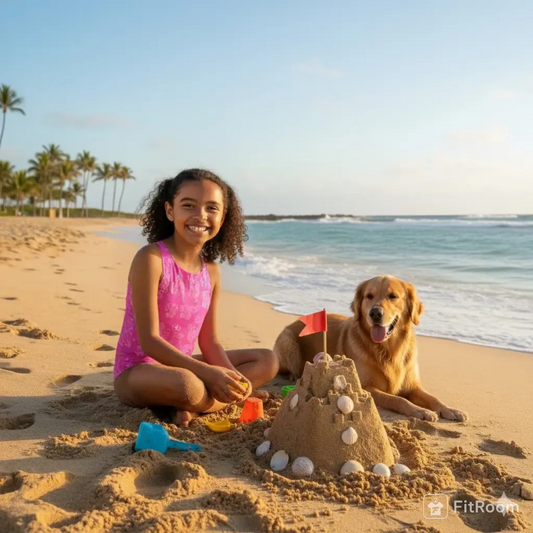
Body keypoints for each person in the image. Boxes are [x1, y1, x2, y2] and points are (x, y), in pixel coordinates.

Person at [114, 169, 279, 426]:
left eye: (211, 208)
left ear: (223, 217)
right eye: (188, 205)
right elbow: (149, 342)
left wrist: (232, 380)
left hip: (186, 365)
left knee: (267, 360)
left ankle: (200, 404)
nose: (200, 215)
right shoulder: (151, 259)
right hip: (138, 371)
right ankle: (206, 402)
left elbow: (209, 340)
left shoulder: (211, 271)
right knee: (188, 385)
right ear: (170, 211)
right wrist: (209, 374)